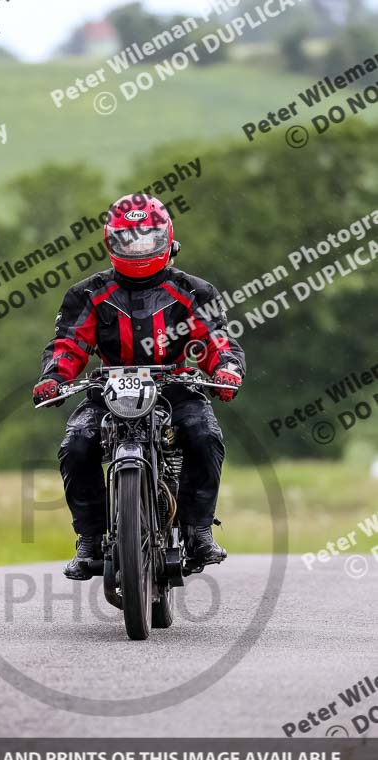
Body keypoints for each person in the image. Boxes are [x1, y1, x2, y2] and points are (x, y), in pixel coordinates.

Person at [33, 194, 245, 580]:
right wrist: (53, 377)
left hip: (176, 386)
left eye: (146, 240)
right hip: (108, 388)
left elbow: (217, 339)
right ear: (111, 242)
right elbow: (70, 344)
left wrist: (227, 369)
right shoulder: (88, 294)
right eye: (128, 240)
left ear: (165, 239)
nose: (138, 248)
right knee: (76, 444)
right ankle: (90, 539)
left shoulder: (195, 291)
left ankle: (198, 532)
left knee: (205, 436)